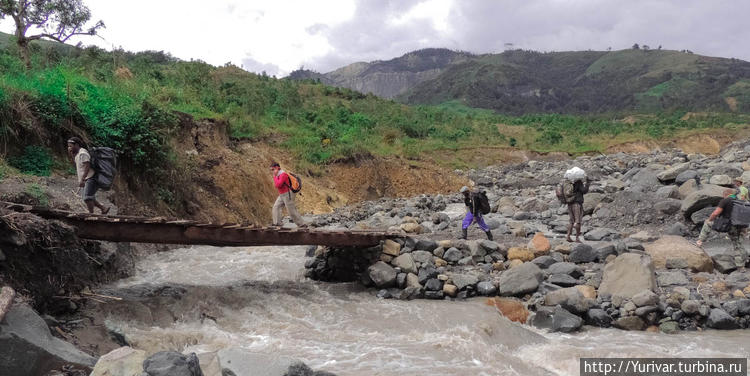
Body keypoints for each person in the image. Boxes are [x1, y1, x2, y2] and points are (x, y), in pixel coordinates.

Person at [697, 189, 748, 266]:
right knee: (738, 244)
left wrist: (709, 219)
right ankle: (741, 266)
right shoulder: (740, 201)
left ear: (725, 194)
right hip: (742, 226)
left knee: (708, 223)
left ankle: (700, 241)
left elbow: (715, 213)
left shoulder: (725, 200)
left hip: (729, 226)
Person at [67, 137, 110, 214]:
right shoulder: (77, 154)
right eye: (68, 146)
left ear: (76, 145)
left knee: (87, 197)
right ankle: (103, 208)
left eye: (70, 146)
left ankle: (91, 213)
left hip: (91, 178)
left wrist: (83, 179)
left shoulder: (83, 153)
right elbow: (78, 164)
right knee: (88, 196)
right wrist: (71, 154)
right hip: (86, 178)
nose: (69, 148)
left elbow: (87, 165)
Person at [270, 162, 307, 227]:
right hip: (282, 195)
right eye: (271, 170)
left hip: (288, 194)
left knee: (291, 210)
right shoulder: (278, 175)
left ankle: (301, 224)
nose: (272, 171)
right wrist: (275, 176)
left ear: (277, 168)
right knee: (276, 207)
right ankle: (277, 223)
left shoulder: (283, 174)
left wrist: (274, 177)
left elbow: (278, 185)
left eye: (273, 169)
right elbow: (278, 185)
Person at [566, 176, 590, 243]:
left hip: (570, 203)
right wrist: (587, 183)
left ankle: (568, 236)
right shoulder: (578, 182)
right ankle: (577, 238)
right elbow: (584, 191)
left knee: (571, 221)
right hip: (577, 204)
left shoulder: (569, 182)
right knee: (578, 221)